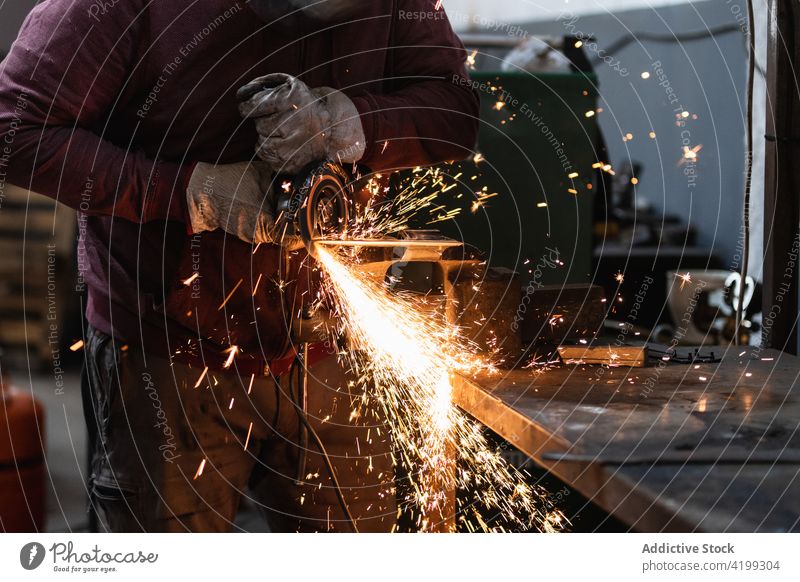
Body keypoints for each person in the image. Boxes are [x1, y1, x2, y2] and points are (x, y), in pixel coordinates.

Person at [0, 0, 478, 532]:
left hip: (333, 344)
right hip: (168, 353)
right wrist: (191, 193)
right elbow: (13, 130)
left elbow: (455, 108)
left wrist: (349, 121)